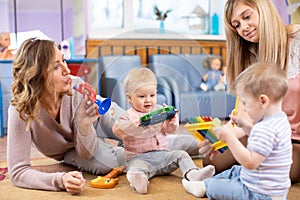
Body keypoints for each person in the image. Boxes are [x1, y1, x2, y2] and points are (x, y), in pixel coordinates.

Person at [7, 38, 203, 194]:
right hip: (76, 149)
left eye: (64, 60)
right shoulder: (20, 112)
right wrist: (59, 179)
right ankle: (153, 155)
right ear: (38, 74)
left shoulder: (74, 87)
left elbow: (110, 114)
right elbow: (18, 172)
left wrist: (133, 126)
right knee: (109, 162)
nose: (67, 70)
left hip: (101, 116)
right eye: (56, 66)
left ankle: (201, 144)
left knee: (139, 130)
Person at [199, 0, 300, 184]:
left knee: (281, 167)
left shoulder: (297, 39)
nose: (244, 27)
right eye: (236, 25)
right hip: (265, 133)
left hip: (295, 141)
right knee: (211, 161)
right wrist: (219, 135)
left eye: (247, 16)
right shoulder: (251, 55)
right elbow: (245, 114)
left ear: (263, 9)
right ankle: (239, 176)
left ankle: (239, 176)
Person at [183, 62, 292, 199]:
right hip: (269, 187)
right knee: (236, 170)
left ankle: (205, 186)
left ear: (263, 101)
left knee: (223, 187)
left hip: (258, 193)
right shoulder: (279, 120)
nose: (244, 108)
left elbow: (250, 162)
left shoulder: (264, 129)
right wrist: (245, 126)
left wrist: (230, 138)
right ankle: (203, 181)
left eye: (245, 103)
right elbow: (263, 143)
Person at [112, 68, 215, 194]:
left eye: (152, 95)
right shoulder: (126, 116)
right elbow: (117, 130)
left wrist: (171, 120)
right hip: (138, 158)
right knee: (135, 170)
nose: (148, 100)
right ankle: (139, 181)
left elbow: (170, 130)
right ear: (129, 98)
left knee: (181, 154)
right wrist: (135, 125)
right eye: (142, 96)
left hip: (162, 155)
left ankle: (193, 174)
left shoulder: (159, 111)